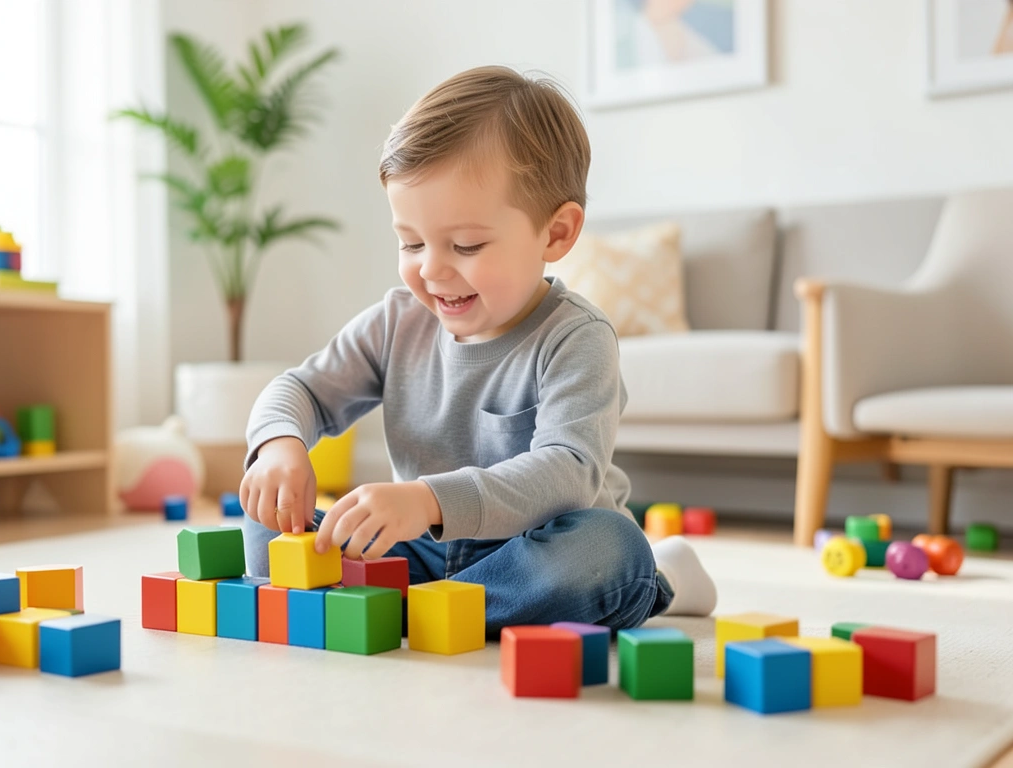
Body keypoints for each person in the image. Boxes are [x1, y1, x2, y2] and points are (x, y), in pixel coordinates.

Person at [237, 65, 716, 633]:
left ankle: (664, 579)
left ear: (556, 234)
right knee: (266, 526)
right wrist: (279, 446)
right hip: (417, 549)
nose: (432, 269)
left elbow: (568, 472)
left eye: (465, 245)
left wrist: (427, 500)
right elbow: (301, 390)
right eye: (410, 242)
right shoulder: (398, 322)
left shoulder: (576, 337)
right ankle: (436, 606)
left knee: (609, 552)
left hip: (536, 550)